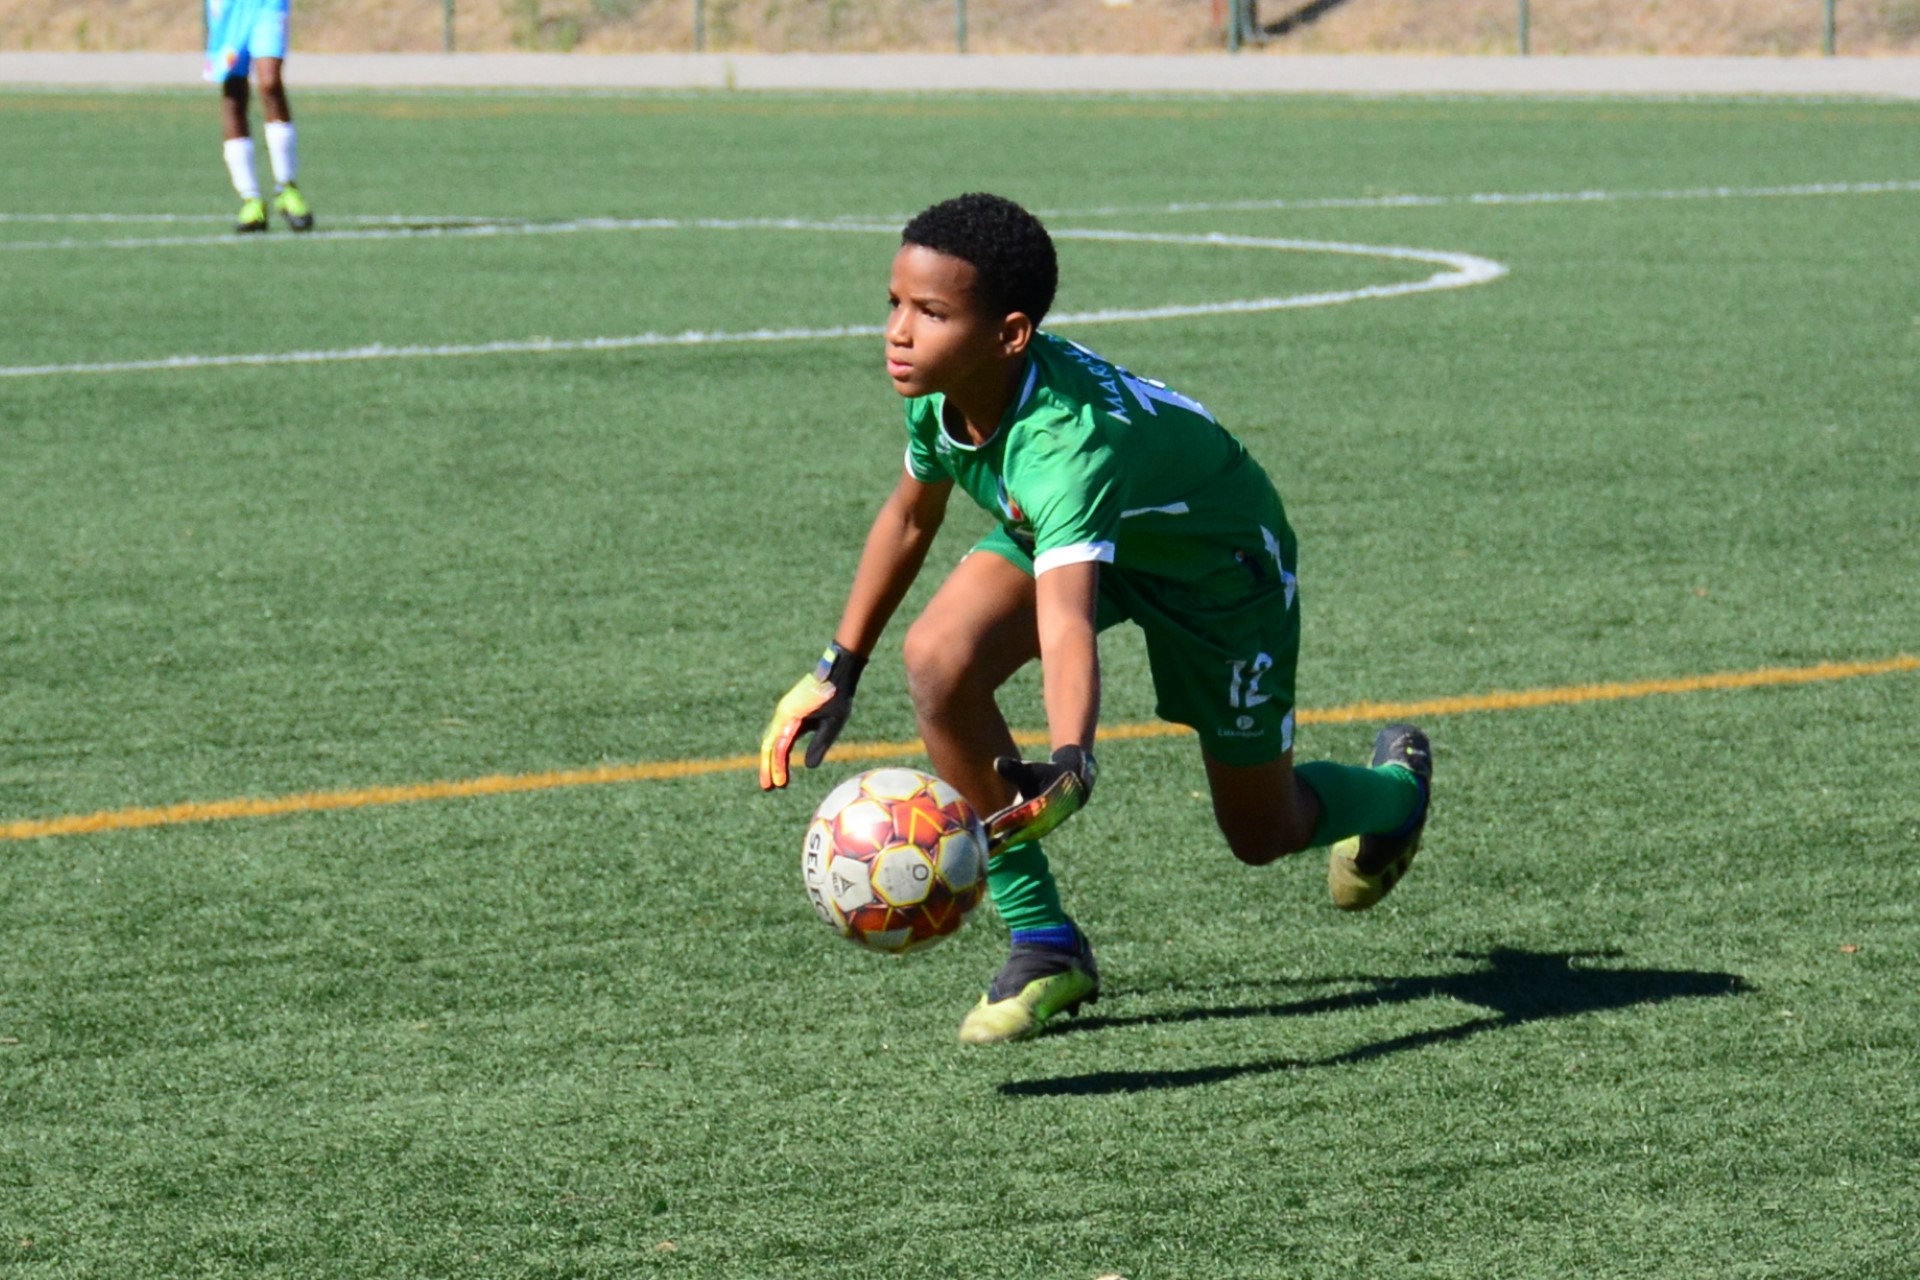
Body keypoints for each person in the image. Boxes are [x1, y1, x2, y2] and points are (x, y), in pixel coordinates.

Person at [759, 192, 1433, 1046]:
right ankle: (1044, 944)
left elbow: (1066, 621)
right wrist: (837, 668)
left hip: (1217, 569)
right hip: (1071, 538)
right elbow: (907, 518)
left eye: (930, 312)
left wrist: (1072, 758)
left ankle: (1397, 795)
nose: (899, 331)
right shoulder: (938, 390)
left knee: (1263, 832)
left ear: (1009, 334)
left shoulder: (1067, 447)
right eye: (894, 303)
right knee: (937, 660)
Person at [205, 0, 313, 234]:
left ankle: (287, 187)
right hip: (228, 7)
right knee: (233, 93)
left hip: (267, 4)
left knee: (270, 83)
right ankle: (251, 199)